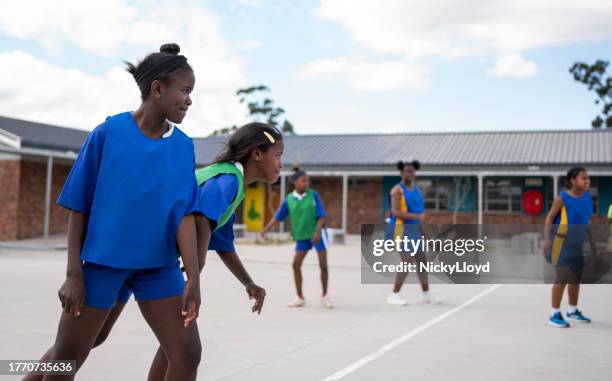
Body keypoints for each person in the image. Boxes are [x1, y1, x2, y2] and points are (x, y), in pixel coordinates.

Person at [29, 43, 202, 381]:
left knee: (187, 352)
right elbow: (79, 206)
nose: (190, 100)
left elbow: (184, 214)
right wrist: (73, 274)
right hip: (103, 264)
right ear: (157, 89)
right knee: (67, 358)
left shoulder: (183, 147)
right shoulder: (108, 134)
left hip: (157, 267)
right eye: (185, 91)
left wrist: (193, 276)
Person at [261, 167, 333, 308]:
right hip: (302, 236)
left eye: (308, 180)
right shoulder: (289, 199)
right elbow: (278, 216)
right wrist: (267, 228)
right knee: (296, 265)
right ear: (295, 182)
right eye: (303, 180)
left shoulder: (313, 195)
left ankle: (325, 296)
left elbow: (322, 215)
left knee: (323, 265)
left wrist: (317, 232)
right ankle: (300, 297)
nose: (307, 183)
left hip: (317, 235)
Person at [543, 166, 597, 328]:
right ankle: (554, 314)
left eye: (588, 178)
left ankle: (572, 310)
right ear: (572, 181)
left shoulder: (587, 198)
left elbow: (586, 222)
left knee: (575, 278)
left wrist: (592, 242)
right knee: (563, 278)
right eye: (583, 178)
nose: (587, 181)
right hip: (561, 243)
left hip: (577, 245)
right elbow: (549, 217)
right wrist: (546, 240)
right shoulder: (562, 198)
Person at [385, 160, 440, 306]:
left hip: (414, 230)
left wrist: (427, 236)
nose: (410, 173)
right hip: (399, 229)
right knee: (407, 260)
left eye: (412, 171)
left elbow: (420, 214)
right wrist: (418, 217)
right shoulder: (397, 190)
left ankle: (426, 295)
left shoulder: (416, 190)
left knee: (422, 261)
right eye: (407, 171)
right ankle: (394, 295)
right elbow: (395, 212)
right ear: (401, 173)